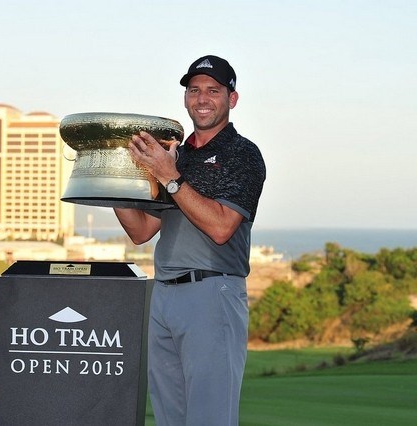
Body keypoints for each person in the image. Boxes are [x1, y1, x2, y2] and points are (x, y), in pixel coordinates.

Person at [114, 55, 266, 425]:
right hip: (164, 294)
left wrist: (170, 177)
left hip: (212, 294)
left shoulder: (243, 154)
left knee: (209, 417)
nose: (202, 98)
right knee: (171, 417)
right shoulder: (177, 154)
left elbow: (221, 228)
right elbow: (141, 231)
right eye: (194, 90)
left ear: (232, 99)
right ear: (185, 98)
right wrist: (113, 178)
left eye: (213, 91)